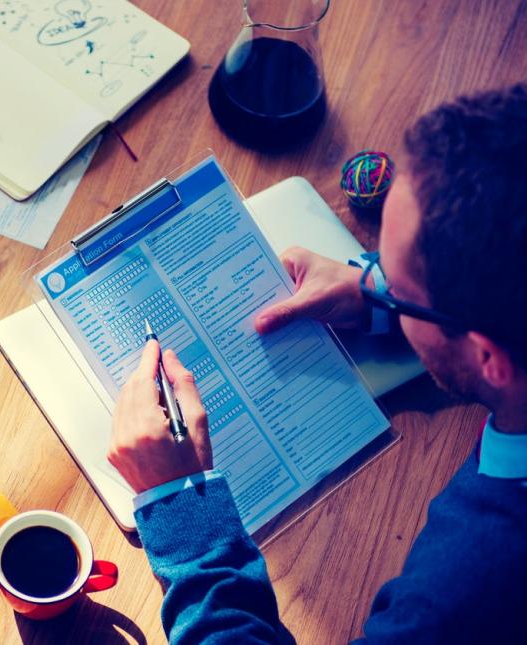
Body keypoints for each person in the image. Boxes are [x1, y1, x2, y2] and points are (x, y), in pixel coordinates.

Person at [108, 83, 527, 644]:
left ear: (488, 357)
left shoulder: (463, 593)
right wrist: (375, 289)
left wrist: (182, 510)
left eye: (398, 289)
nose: (373, 276)